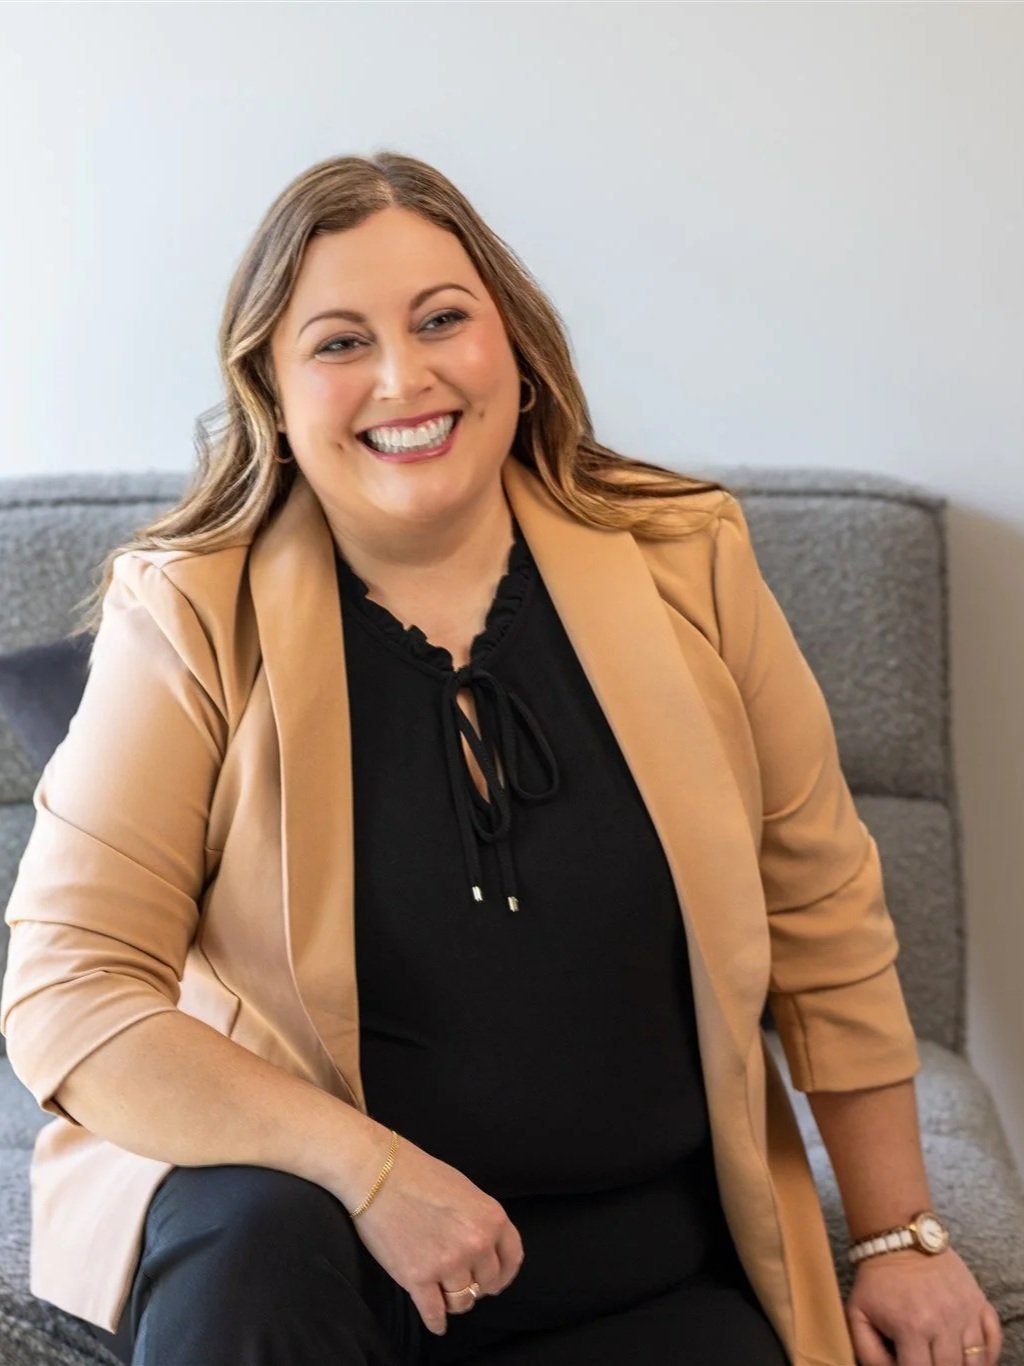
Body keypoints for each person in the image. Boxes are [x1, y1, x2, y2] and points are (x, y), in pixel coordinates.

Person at [0, 152, 1003, 1366]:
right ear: (268, 388)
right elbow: (71, 988)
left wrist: (898, 1235)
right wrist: (367, 1171)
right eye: (337, 342)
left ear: (513, 349)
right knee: (255, 1243)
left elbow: (824, 911)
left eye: (440, 320)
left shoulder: (687, 560)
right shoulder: (192, 613)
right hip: (322, 1254)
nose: (401, 376)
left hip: (638, 1262)